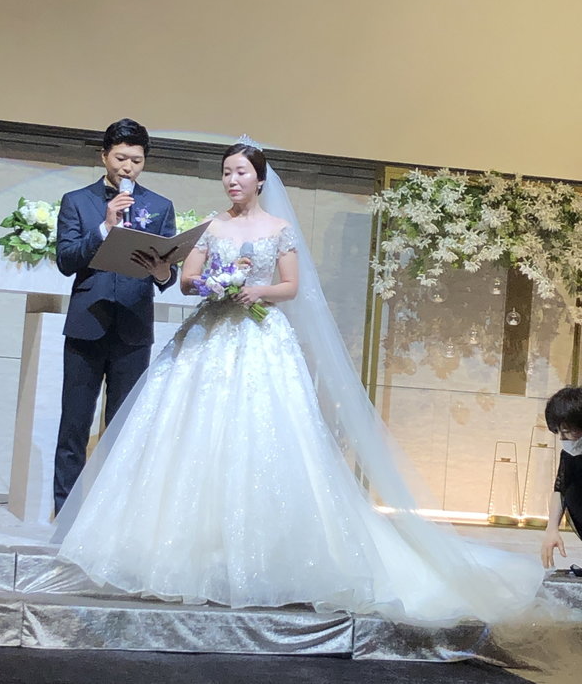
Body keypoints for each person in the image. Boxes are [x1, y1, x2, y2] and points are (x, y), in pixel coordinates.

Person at [54, 137, 544, 622]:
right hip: (209, 337)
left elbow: (291, 285)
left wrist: (256, 291)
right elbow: (185, 281)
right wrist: (207, 283)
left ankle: (265, 551)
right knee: (191, 437)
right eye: (226, 173)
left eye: (241, 172)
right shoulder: (211, 226)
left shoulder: (280, 229)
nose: (232, 180)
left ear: (260, 179)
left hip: (259, 339)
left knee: (263, 438)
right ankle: (184, 547)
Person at [53, 118, 178, 515]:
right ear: (104, 156)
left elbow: (168, 275)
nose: (128, 167)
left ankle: (111, 518)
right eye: (121, 158)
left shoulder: (159, 206)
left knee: (124, 429)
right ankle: (66, 516)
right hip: (87, 325)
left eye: (136, 161)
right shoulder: (77, 201)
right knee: (74, 425)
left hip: (133, 328)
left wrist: (163, 271)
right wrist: (104, 228)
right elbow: (66, 261)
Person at [540, 386, 582, 569]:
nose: (563, 439)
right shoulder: (569, 455)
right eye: (559, 432)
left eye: (567, 431)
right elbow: (560, 488)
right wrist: (551, 529)